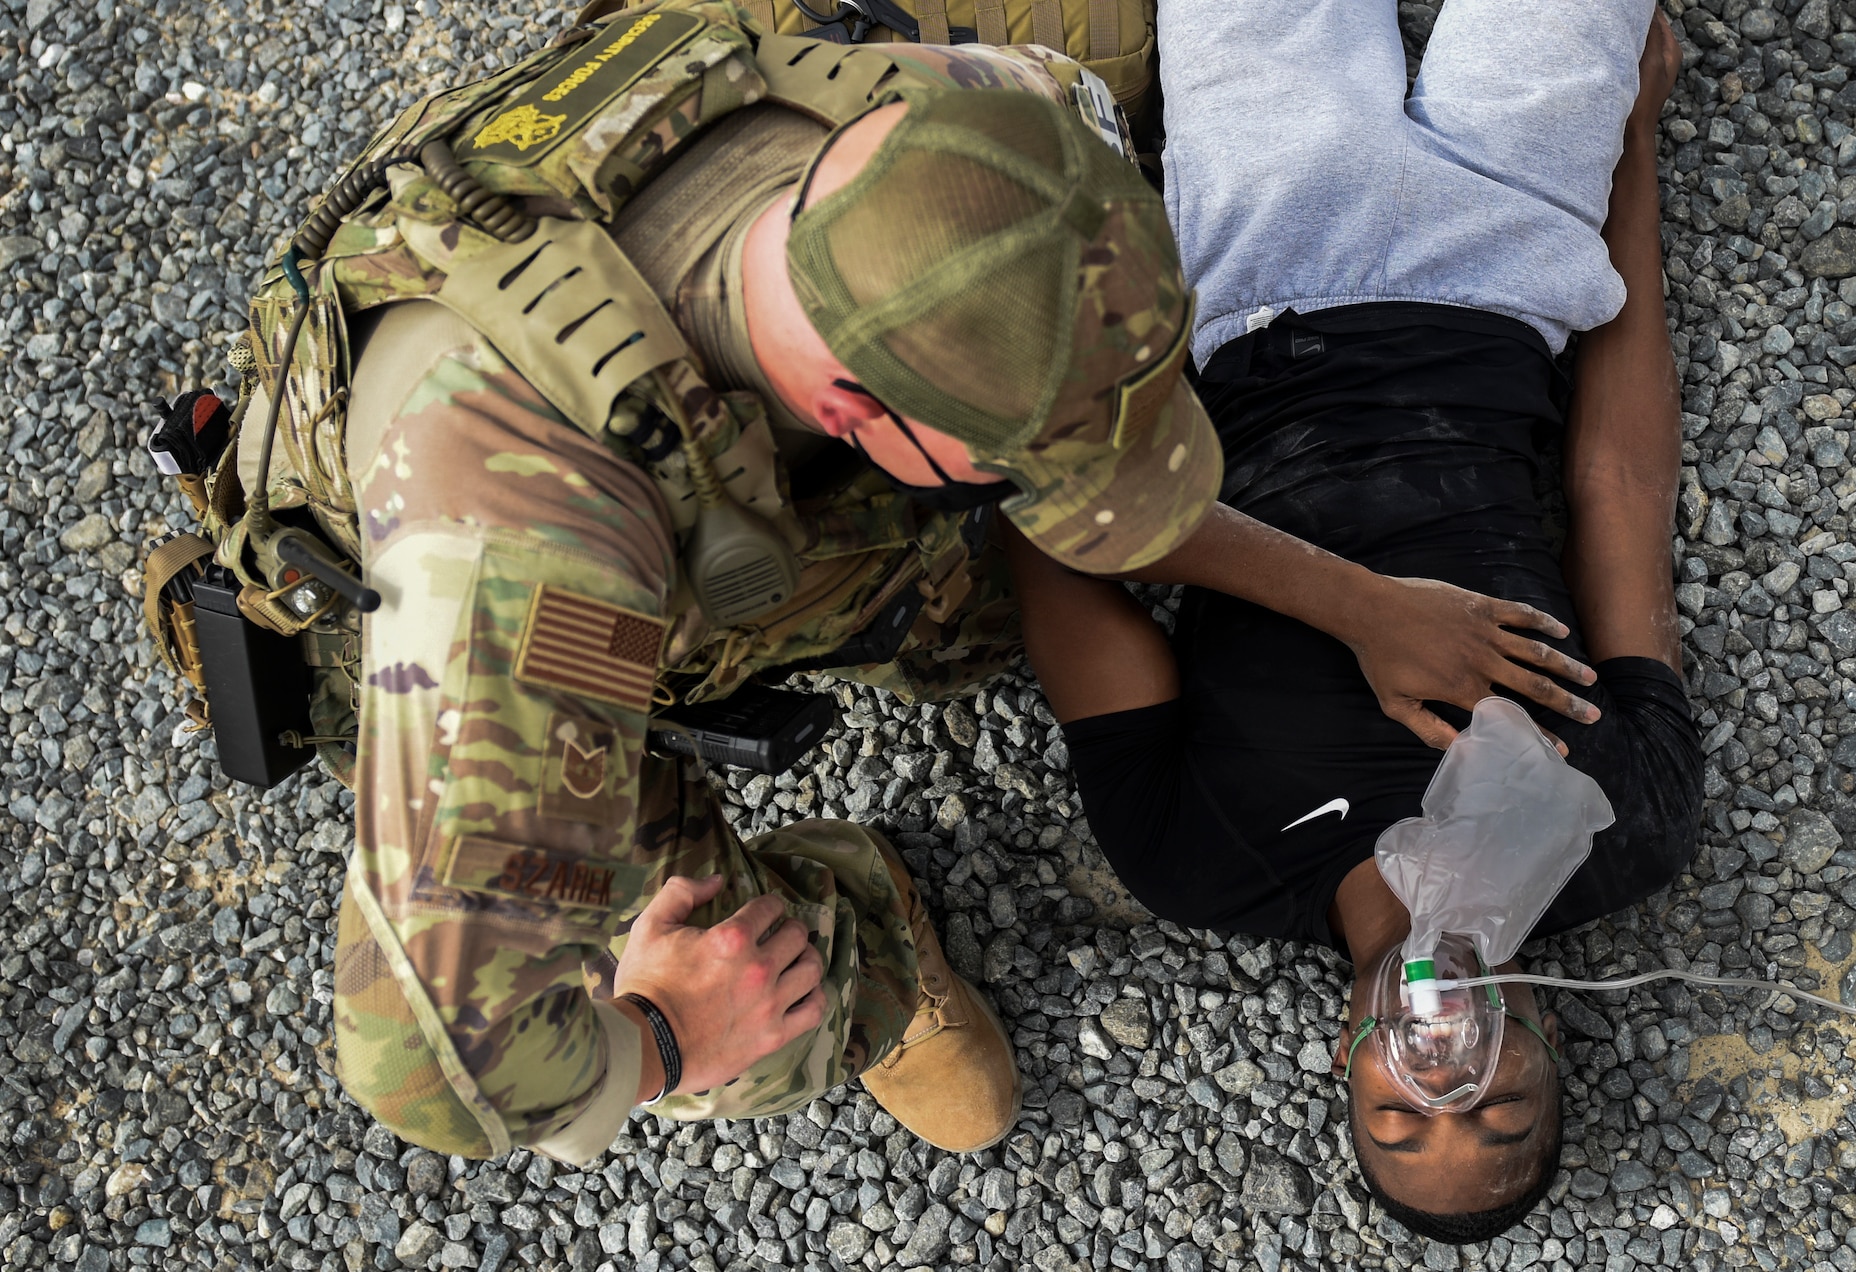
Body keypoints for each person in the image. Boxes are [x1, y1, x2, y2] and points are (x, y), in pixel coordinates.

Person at [263, 1, 1607, 1165]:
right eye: (1033, 454)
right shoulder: (535, 574)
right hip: (557, 568)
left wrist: (1349, 598)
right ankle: (870, 957)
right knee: (742, 941)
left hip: (721, 408)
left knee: (995, 597)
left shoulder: (985, 118)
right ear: (853, 403)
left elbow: (1069, 465)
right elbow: (434, 1066)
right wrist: (659, 1042)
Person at [1002, 0, 1700, 1242]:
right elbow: (1621, 492)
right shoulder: (1619, 827)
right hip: (1512, 262)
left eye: (1402, 1118)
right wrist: (1631, 165)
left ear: (1346, 1062)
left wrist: (1362, 610)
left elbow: (1055, 548)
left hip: (1264, 262)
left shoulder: (1201, 859)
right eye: (1502, 1111)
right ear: (1543, 1045)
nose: (1452, 1085)